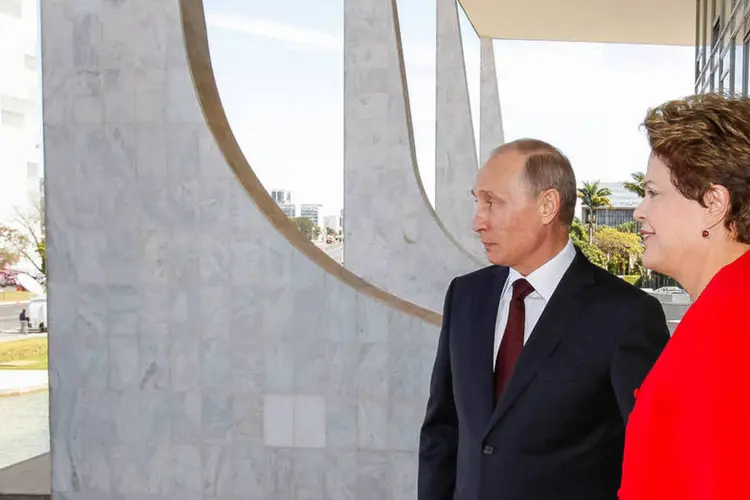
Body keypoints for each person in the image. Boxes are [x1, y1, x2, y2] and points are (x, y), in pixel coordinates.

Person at [418, 138, 670, 500]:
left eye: (493, 202)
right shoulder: (464, 296)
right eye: (478, 201)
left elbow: (651, 458)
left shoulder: (626, 314)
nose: (478, 221)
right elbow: (443, 431)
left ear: (547, 205)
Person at [619, 94, 750, 499]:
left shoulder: (728, 330)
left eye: (654, 193)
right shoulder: (722, 312)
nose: (640, 211)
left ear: (713, 204)